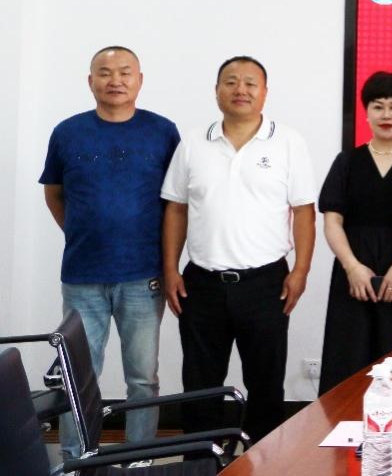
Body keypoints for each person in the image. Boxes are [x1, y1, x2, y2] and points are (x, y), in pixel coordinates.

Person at [161, 56, 316, 443]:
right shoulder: (194, 142)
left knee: (266, 382)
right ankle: (201, 464)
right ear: (216, 92)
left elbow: (303, 212)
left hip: (266, 283)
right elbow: (176, 208)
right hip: (202, 283)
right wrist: (170, 270)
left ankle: (263, 464)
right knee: (200, 384)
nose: (240, 90)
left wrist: (300, 271)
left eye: (250, 82)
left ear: (264, 93)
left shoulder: (288, 142)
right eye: (230, 82)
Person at [39, 46, 180, 458]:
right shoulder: (68, 132)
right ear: (90, 81)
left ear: (139, 80)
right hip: (82, 276)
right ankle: (76, 458)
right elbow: (54, 194)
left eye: (124, 72)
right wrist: (83, 233)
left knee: (143, 377)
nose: (114, 80)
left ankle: (140, 458)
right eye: (104, 72)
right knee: (78, 375)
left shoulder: (162, 131)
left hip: (143, 275)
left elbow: (176, 203)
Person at [318, 71, 392, 393]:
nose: (386, 115)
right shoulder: (348, 161)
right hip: (355, 275)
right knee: (349, 359)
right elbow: (332, 221)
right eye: (378, 107)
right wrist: (352, 267)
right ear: (366, 112)